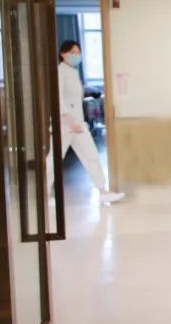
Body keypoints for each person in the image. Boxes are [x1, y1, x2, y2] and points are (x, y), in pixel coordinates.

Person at [45, 41, 125, 204]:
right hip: (64, 125)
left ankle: (103, 191)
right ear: (63, 53)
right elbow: (57, 98)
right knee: (54, 159)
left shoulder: (73, 72)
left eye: (78, 52)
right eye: (73, 52)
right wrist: (68, 119)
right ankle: (44, 195)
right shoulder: (60, 72)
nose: (77, 55)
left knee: (91, 156)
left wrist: (77, 121)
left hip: (79, 124)